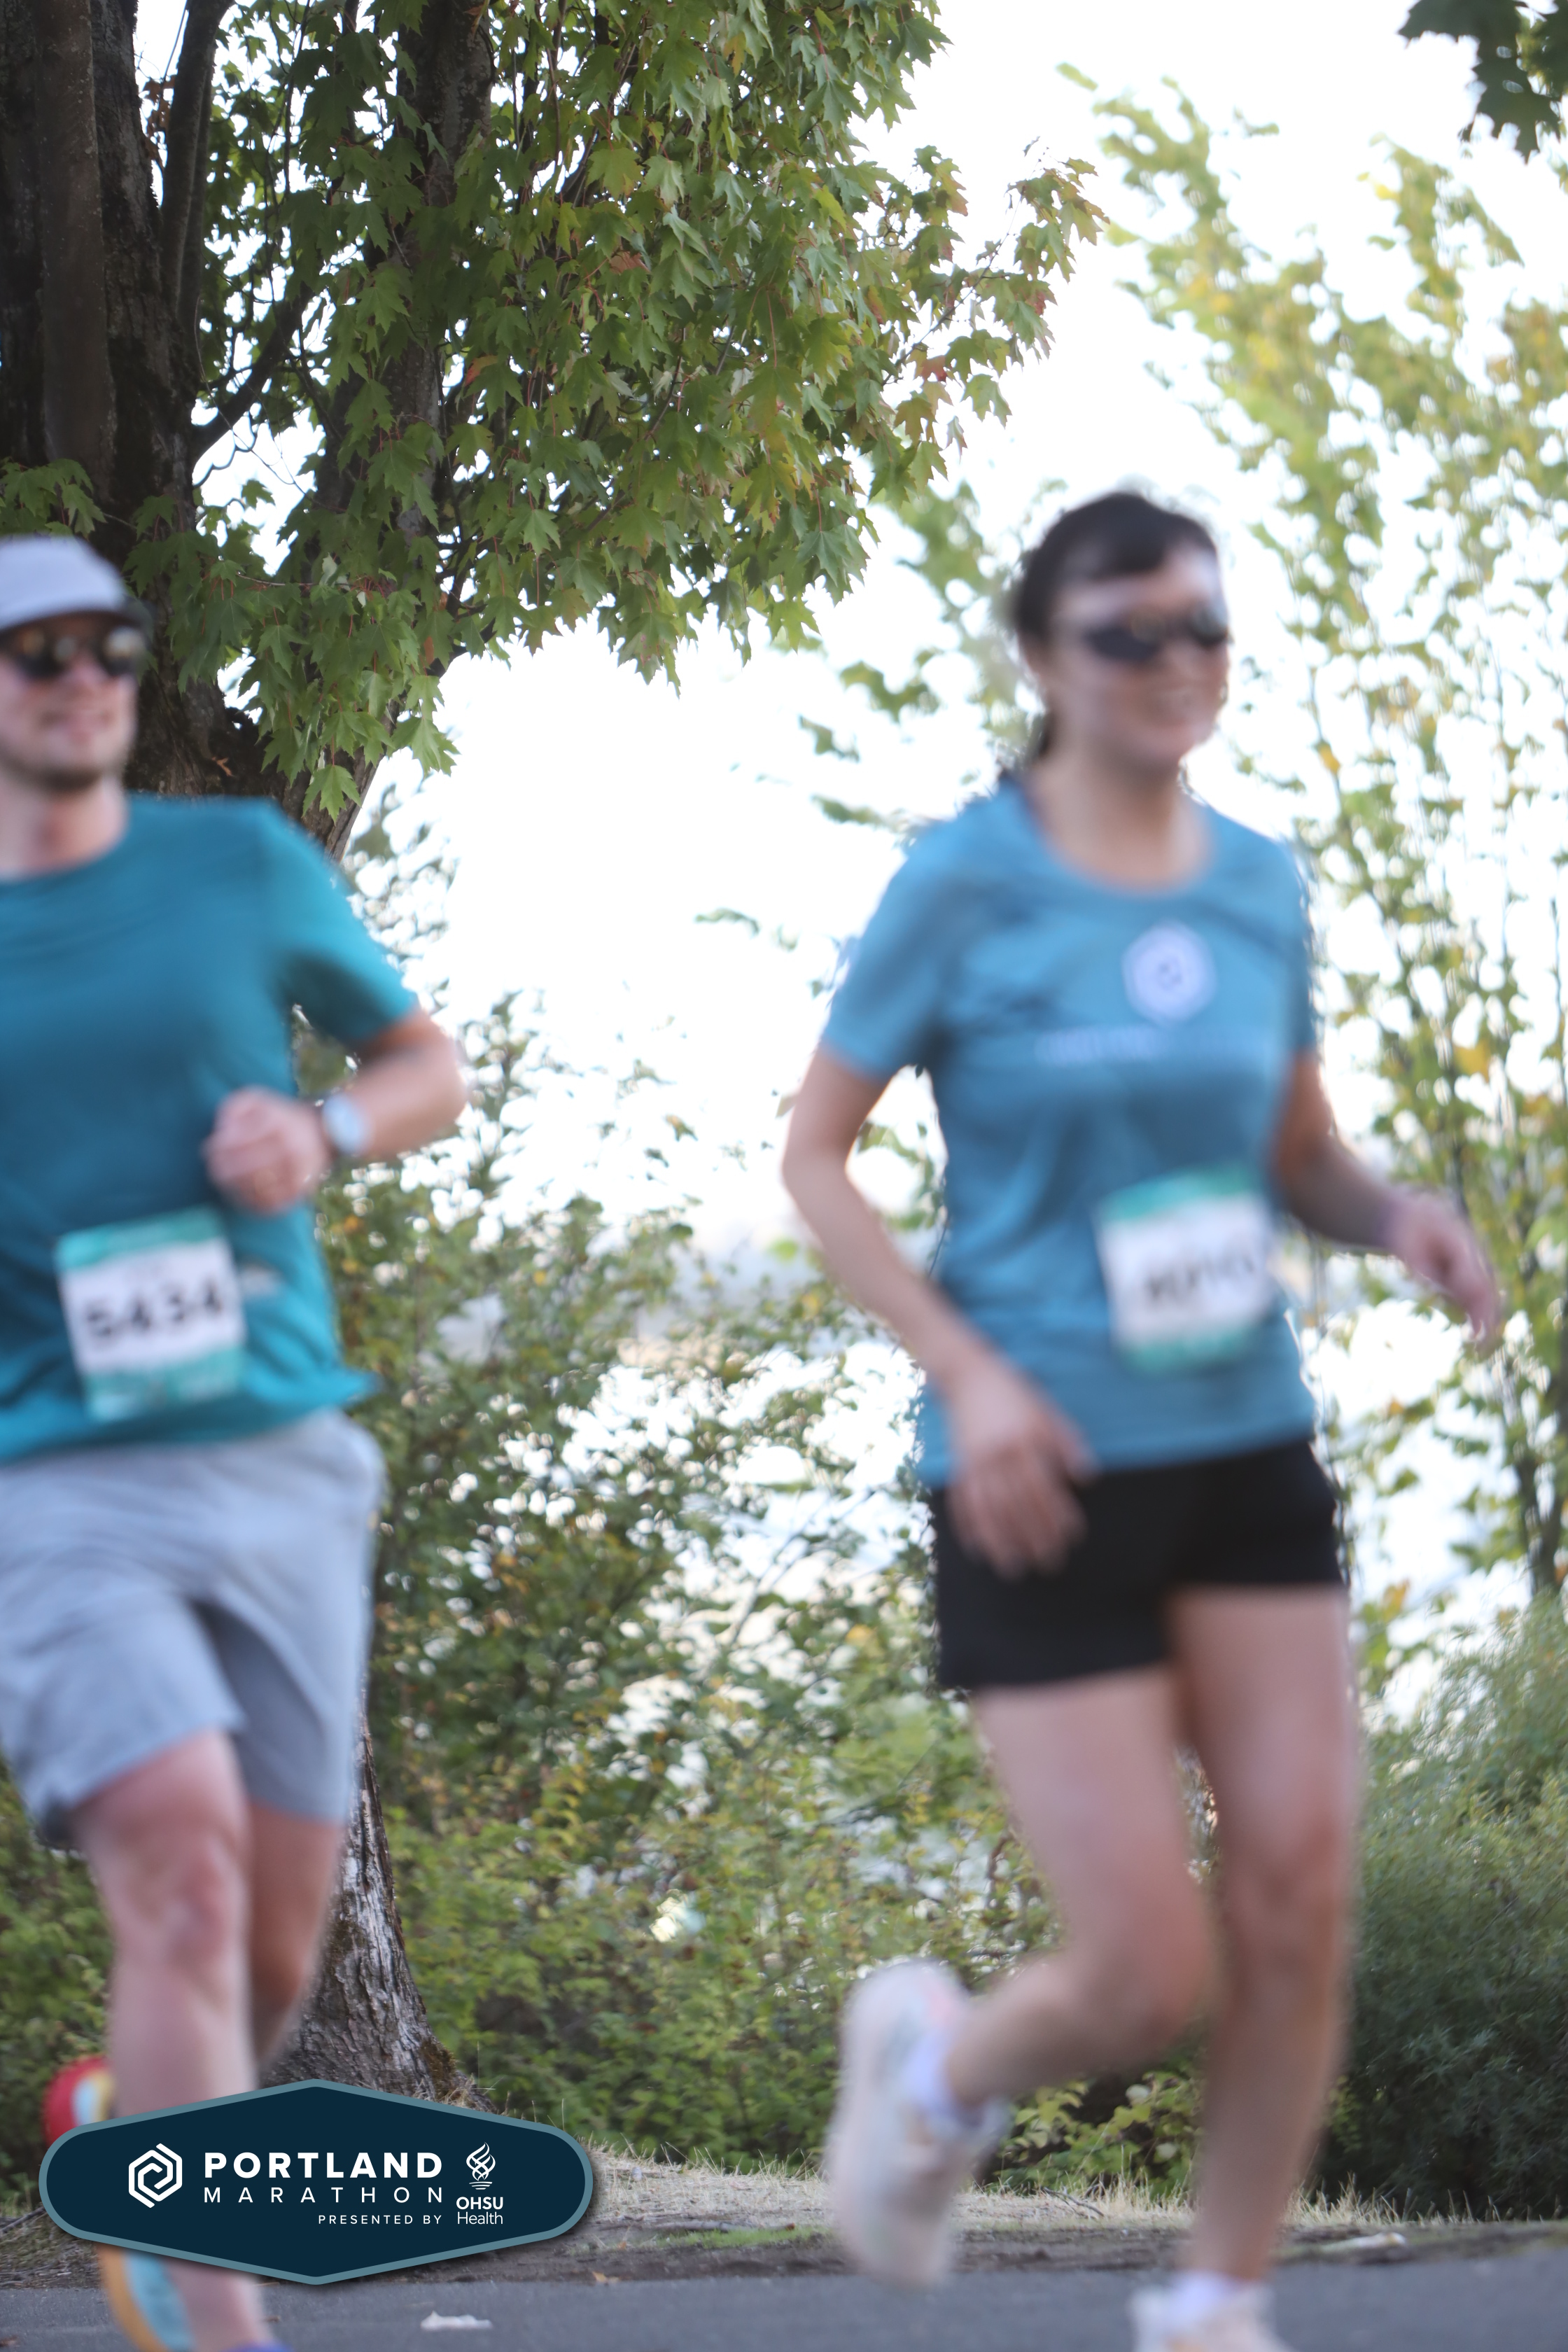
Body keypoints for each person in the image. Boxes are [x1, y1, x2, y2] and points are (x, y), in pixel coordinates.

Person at [780, 491, 1498, 2352]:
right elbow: (818, 1161)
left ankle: (1213, 2303)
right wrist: (969, 1370)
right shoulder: (965, 882)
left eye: (1203, 628)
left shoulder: (1258, 883)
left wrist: (1399, 1218)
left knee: (1299, 1896)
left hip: (1245, 1445)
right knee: (1147, 1969)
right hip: (1041, 1469)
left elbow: (1297, 1157)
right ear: (1045, 657)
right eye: (1129, 634)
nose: (1177, 662)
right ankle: (936, 2072)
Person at [0, 534, 468, 2352]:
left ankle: (140, 2123)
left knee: (269, 1947)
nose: (78, 677)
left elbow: (425, 1064)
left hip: (279, 1460)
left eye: (105, 646)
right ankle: (219, 2318)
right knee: (185, 1871)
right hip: (55, 1478)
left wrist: (323, 1134)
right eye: (34, 650)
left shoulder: (241, 866)